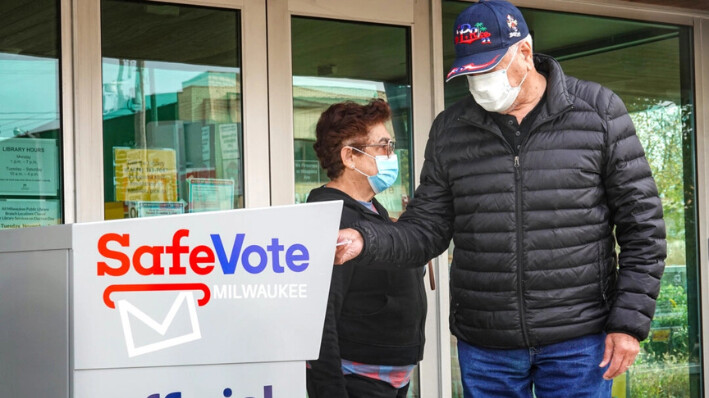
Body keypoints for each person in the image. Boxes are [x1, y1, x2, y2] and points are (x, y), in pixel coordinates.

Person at [335, 1, 666, 397]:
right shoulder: (451, 130)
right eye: (471, 73)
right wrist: (365, 239)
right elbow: (426, 229)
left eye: (489, 69)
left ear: (525, 53)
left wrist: (628, 323)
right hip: (486, 343)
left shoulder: (597, 112)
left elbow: (642, 227)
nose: (479, 83)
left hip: (579, 339)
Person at [306, 99, 426, 398]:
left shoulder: (372, 210)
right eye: (383, 146)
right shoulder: (331, 218)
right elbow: (321, 319)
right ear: (350, 156)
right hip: (356, 380)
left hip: (390, 378)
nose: (391, 155)